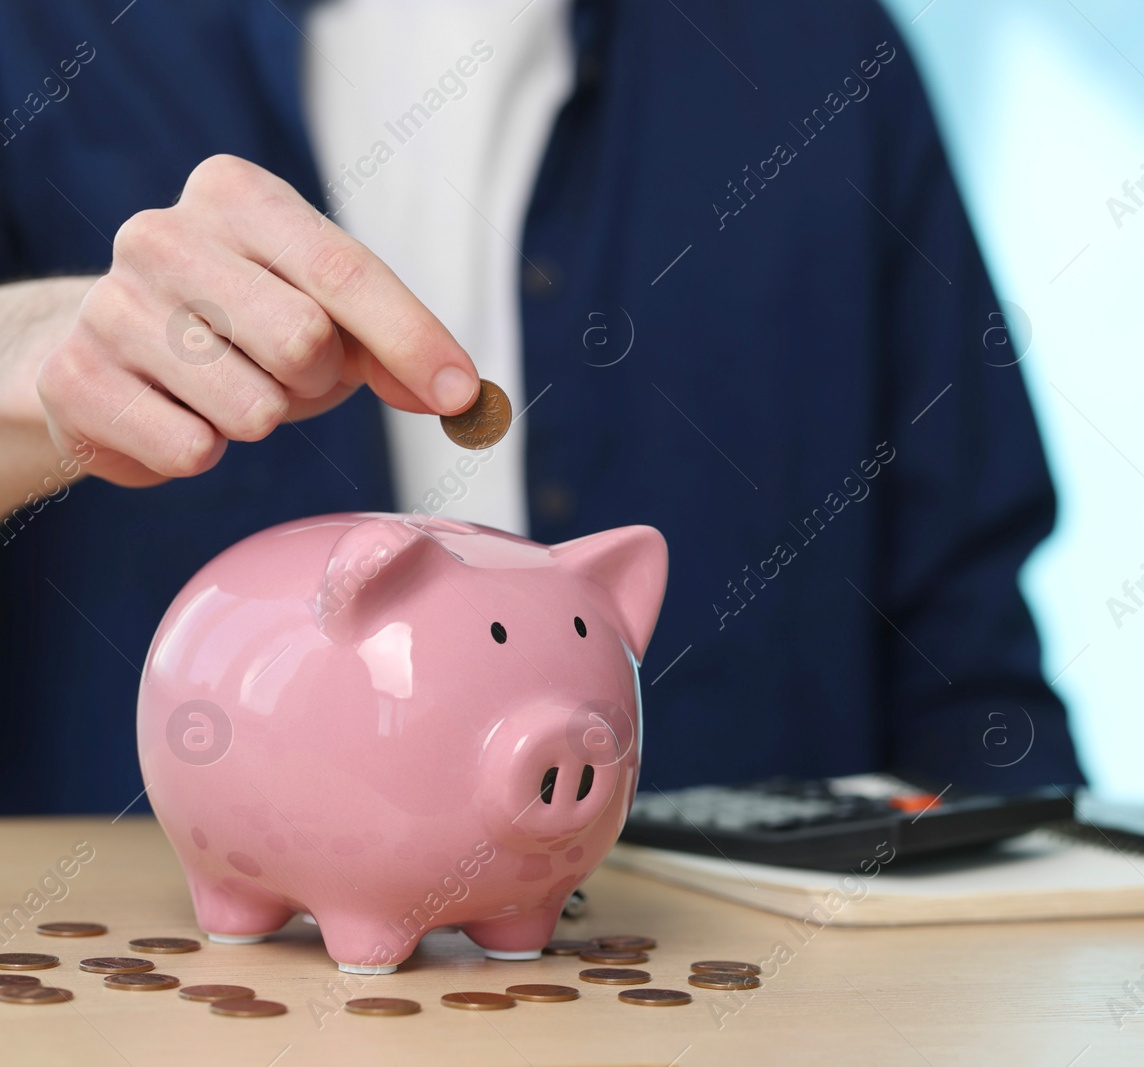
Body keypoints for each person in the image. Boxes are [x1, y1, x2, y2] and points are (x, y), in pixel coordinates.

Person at [0, 0, 1084, 813]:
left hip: (743, 994)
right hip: (164, 986)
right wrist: (33, 361)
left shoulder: (824, 49)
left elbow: (968, 638)